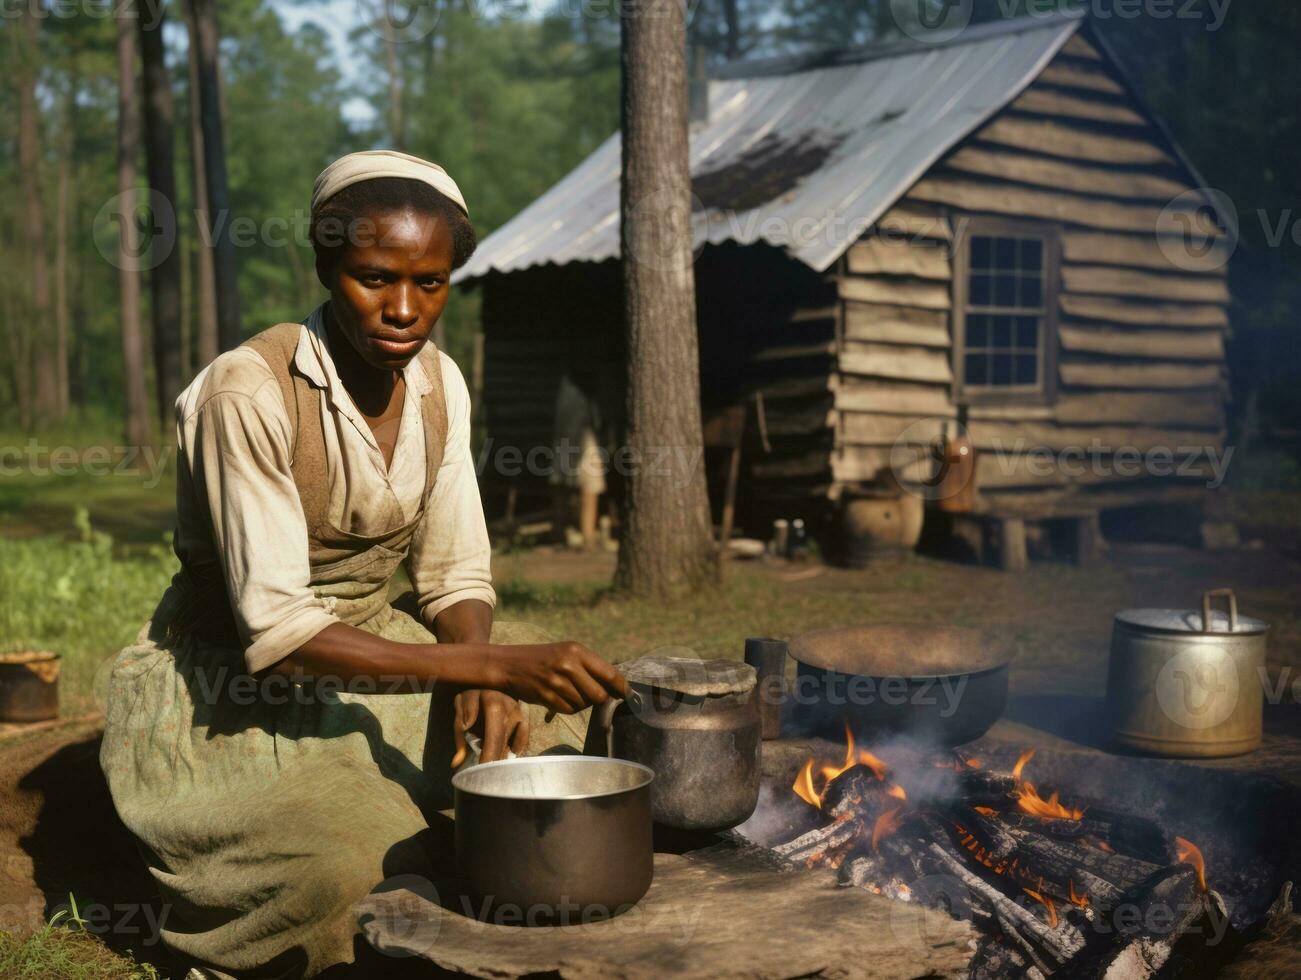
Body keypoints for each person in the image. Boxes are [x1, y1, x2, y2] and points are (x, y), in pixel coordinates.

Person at [99, 150, 627, 978]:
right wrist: (483, 664)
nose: (405, 310)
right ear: (325, 266)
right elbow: (279, 633)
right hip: (238, 683)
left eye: (432, 283)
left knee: (564, 743)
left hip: (382, 641)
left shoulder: (440, 386)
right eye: (374, 278)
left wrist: (484, 680)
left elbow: (454, 575)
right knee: (345, 871)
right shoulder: (248, 393)